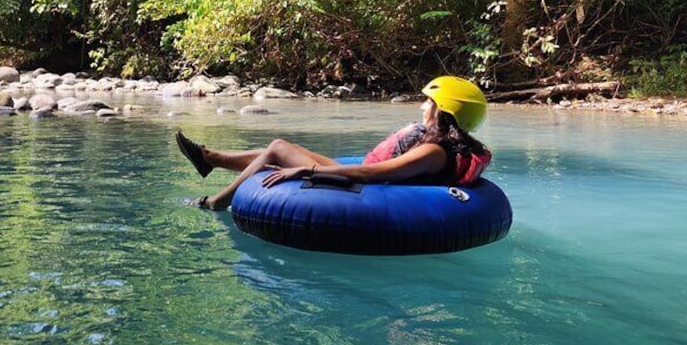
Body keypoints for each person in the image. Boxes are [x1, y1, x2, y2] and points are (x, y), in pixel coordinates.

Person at [176, 76, 492, 210]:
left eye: (428, 102)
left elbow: (372, 175)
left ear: (446, 111)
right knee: (280, 151)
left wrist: (306, 172)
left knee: (277, 148)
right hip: (382, 183)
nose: (423, 107)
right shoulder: (452, 147)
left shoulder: (432, 152)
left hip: (374, 192)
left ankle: (216, 203)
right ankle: (211, 158)